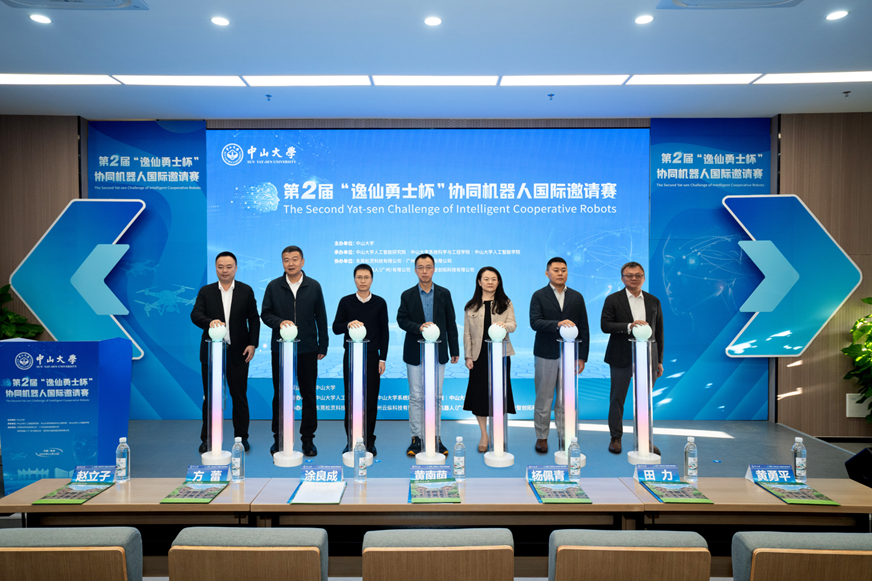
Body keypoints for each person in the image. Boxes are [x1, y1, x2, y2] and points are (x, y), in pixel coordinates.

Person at [261, 245, 328, 457]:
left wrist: (323, 345)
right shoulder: (273, 286)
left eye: (295, 259)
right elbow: (265, 314)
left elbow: (321, 317)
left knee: (309, 395)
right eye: (286, 260)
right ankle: (279, 438)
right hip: (281, 349)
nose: (290, 263)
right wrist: (280, 322)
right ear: (282, 263)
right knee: (280, 395)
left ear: (302, 262)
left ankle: (308, 440)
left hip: (307, 348)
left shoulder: (313, 286)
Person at [190, 251, 259, 453]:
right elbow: (195, 314)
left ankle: (242, 438)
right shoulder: (206, 291)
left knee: (239, 397)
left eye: (229, 267)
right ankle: (208, 439)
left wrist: (252, 343)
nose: (225, 270)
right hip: (212, 353)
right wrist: (209, 322)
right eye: (220, 267)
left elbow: (254, 319)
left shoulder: (246, 290)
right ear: (216, 268)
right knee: (211, 397)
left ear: (236, 268)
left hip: (239, 352)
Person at [397, 253, 460, 456]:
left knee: (436, 397)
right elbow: (402, 320)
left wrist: (455, 349)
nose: (424, 271)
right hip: (415, 351)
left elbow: (451, 323)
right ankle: (416, 438)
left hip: (438, 351)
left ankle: (435, 437)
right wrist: (419, 327)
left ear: (434, 269)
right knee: (416, 396)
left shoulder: (444, 293)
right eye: (420, 267)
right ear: (415, 270)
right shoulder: (407, 295)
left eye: (428, 267)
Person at [601, 261, 664, 455]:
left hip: (648, 358)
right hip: (620, 357)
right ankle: (615, 438)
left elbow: (659, 332)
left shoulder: (653, 301)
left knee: (644, 402)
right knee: (617, 399)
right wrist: (629, 326)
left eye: (638, 275)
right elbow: (605, 326)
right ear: (622, 278)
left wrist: (659, 360)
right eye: (629, 275)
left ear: (643, 278)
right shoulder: (613, 299)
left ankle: (644, 440)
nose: (634, 278)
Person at [529, 257, 590, 454]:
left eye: (563, 270)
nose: (560, 273)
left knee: (566, 400)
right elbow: (535, 322)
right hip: (546, 353)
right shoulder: (539, 295)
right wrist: (557, 324)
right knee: (544, 397)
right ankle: (542, 437)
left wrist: (582, 357)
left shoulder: (577, 297)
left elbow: (584, 327)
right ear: (547, 273)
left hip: (570, 355)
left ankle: (566, 436)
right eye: (556, 270)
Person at [332, 263, 389, 456]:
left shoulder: (380, 303)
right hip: (351, 356)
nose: (363, 281)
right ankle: (351, 441)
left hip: (372, 356)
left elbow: (384, 332)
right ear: (354, 279)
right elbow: (336, 327)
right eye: (359, 277)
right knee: (351, 399)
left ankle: (369, 440)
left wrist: (383, 358)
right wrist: (348, 324)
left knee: (371, 400)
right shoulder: (345, 301)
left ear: (372, 280)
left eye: (366, 277)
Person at [463, 267, 517, 453]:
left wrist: (505, 325)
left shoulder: (506, 302)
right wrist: (468, 356)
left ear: (498, 282)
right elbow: (467, 334)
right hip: (479, 356)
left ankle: (498, 432)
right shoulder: (471, 306)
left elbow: (513, 325)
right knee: (479, 395)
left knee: (499, 394)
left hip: (500, 354)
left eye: (494, 279)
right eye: (486, 279)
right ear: (479, 282)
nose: (490, 282)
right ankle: (484, 434)